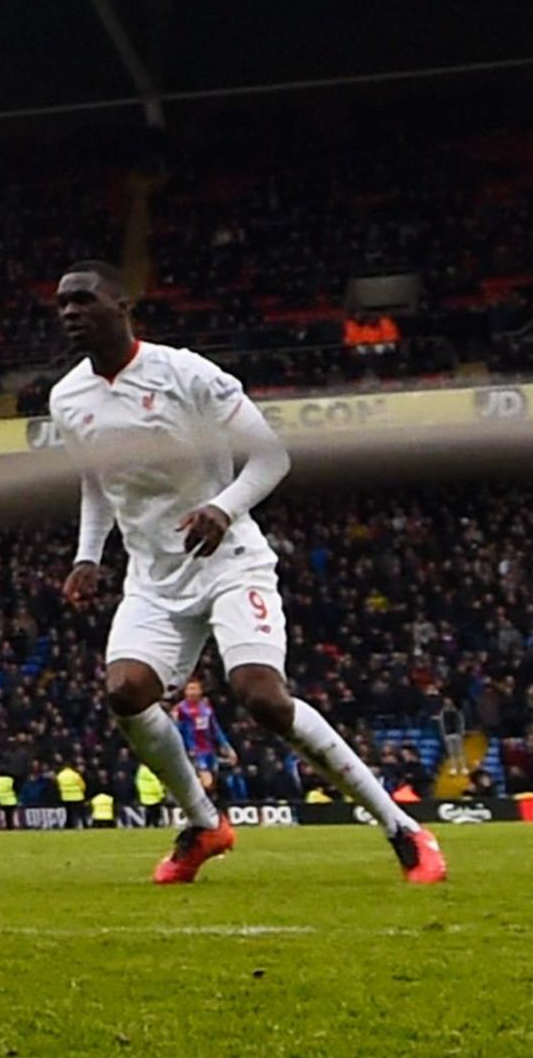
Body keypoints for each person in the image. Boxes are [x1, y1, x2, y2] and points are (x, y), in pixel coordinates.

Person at [50, 262, 442, 887]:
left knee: (261, 695)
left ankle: (403, 828)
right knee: (125, 692)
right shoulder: (67, 397)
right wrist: (88, 555)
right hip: (153, 579)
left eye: (84, 299)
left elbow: (270, 456)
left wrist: (221, 507)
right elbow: (95, 483)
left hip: (229, 560)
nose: (70, 312)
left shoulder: (187, 373)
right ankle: (205, 825)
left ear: (122, 304)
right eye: (62, 303)